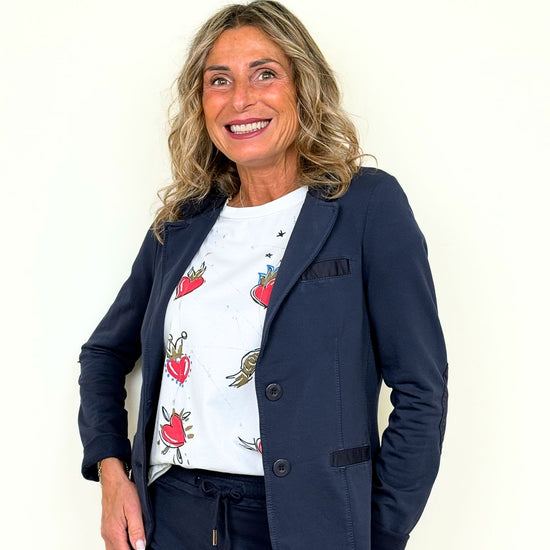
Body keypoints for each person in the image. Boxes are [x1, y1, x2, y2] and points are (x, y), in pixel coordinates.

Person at [78, 1, 448, 549]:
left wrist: (381, 531)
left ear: (303, 87)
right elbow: (103, 354)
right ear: (201, 103)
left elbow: (421, 389)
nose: (240, 99)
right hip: (173, 516)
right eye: (219, 80)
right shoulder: (181, 225)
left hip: (307, 521)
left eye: (265, 74)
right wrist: (111, 472)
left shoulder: (367, 206)